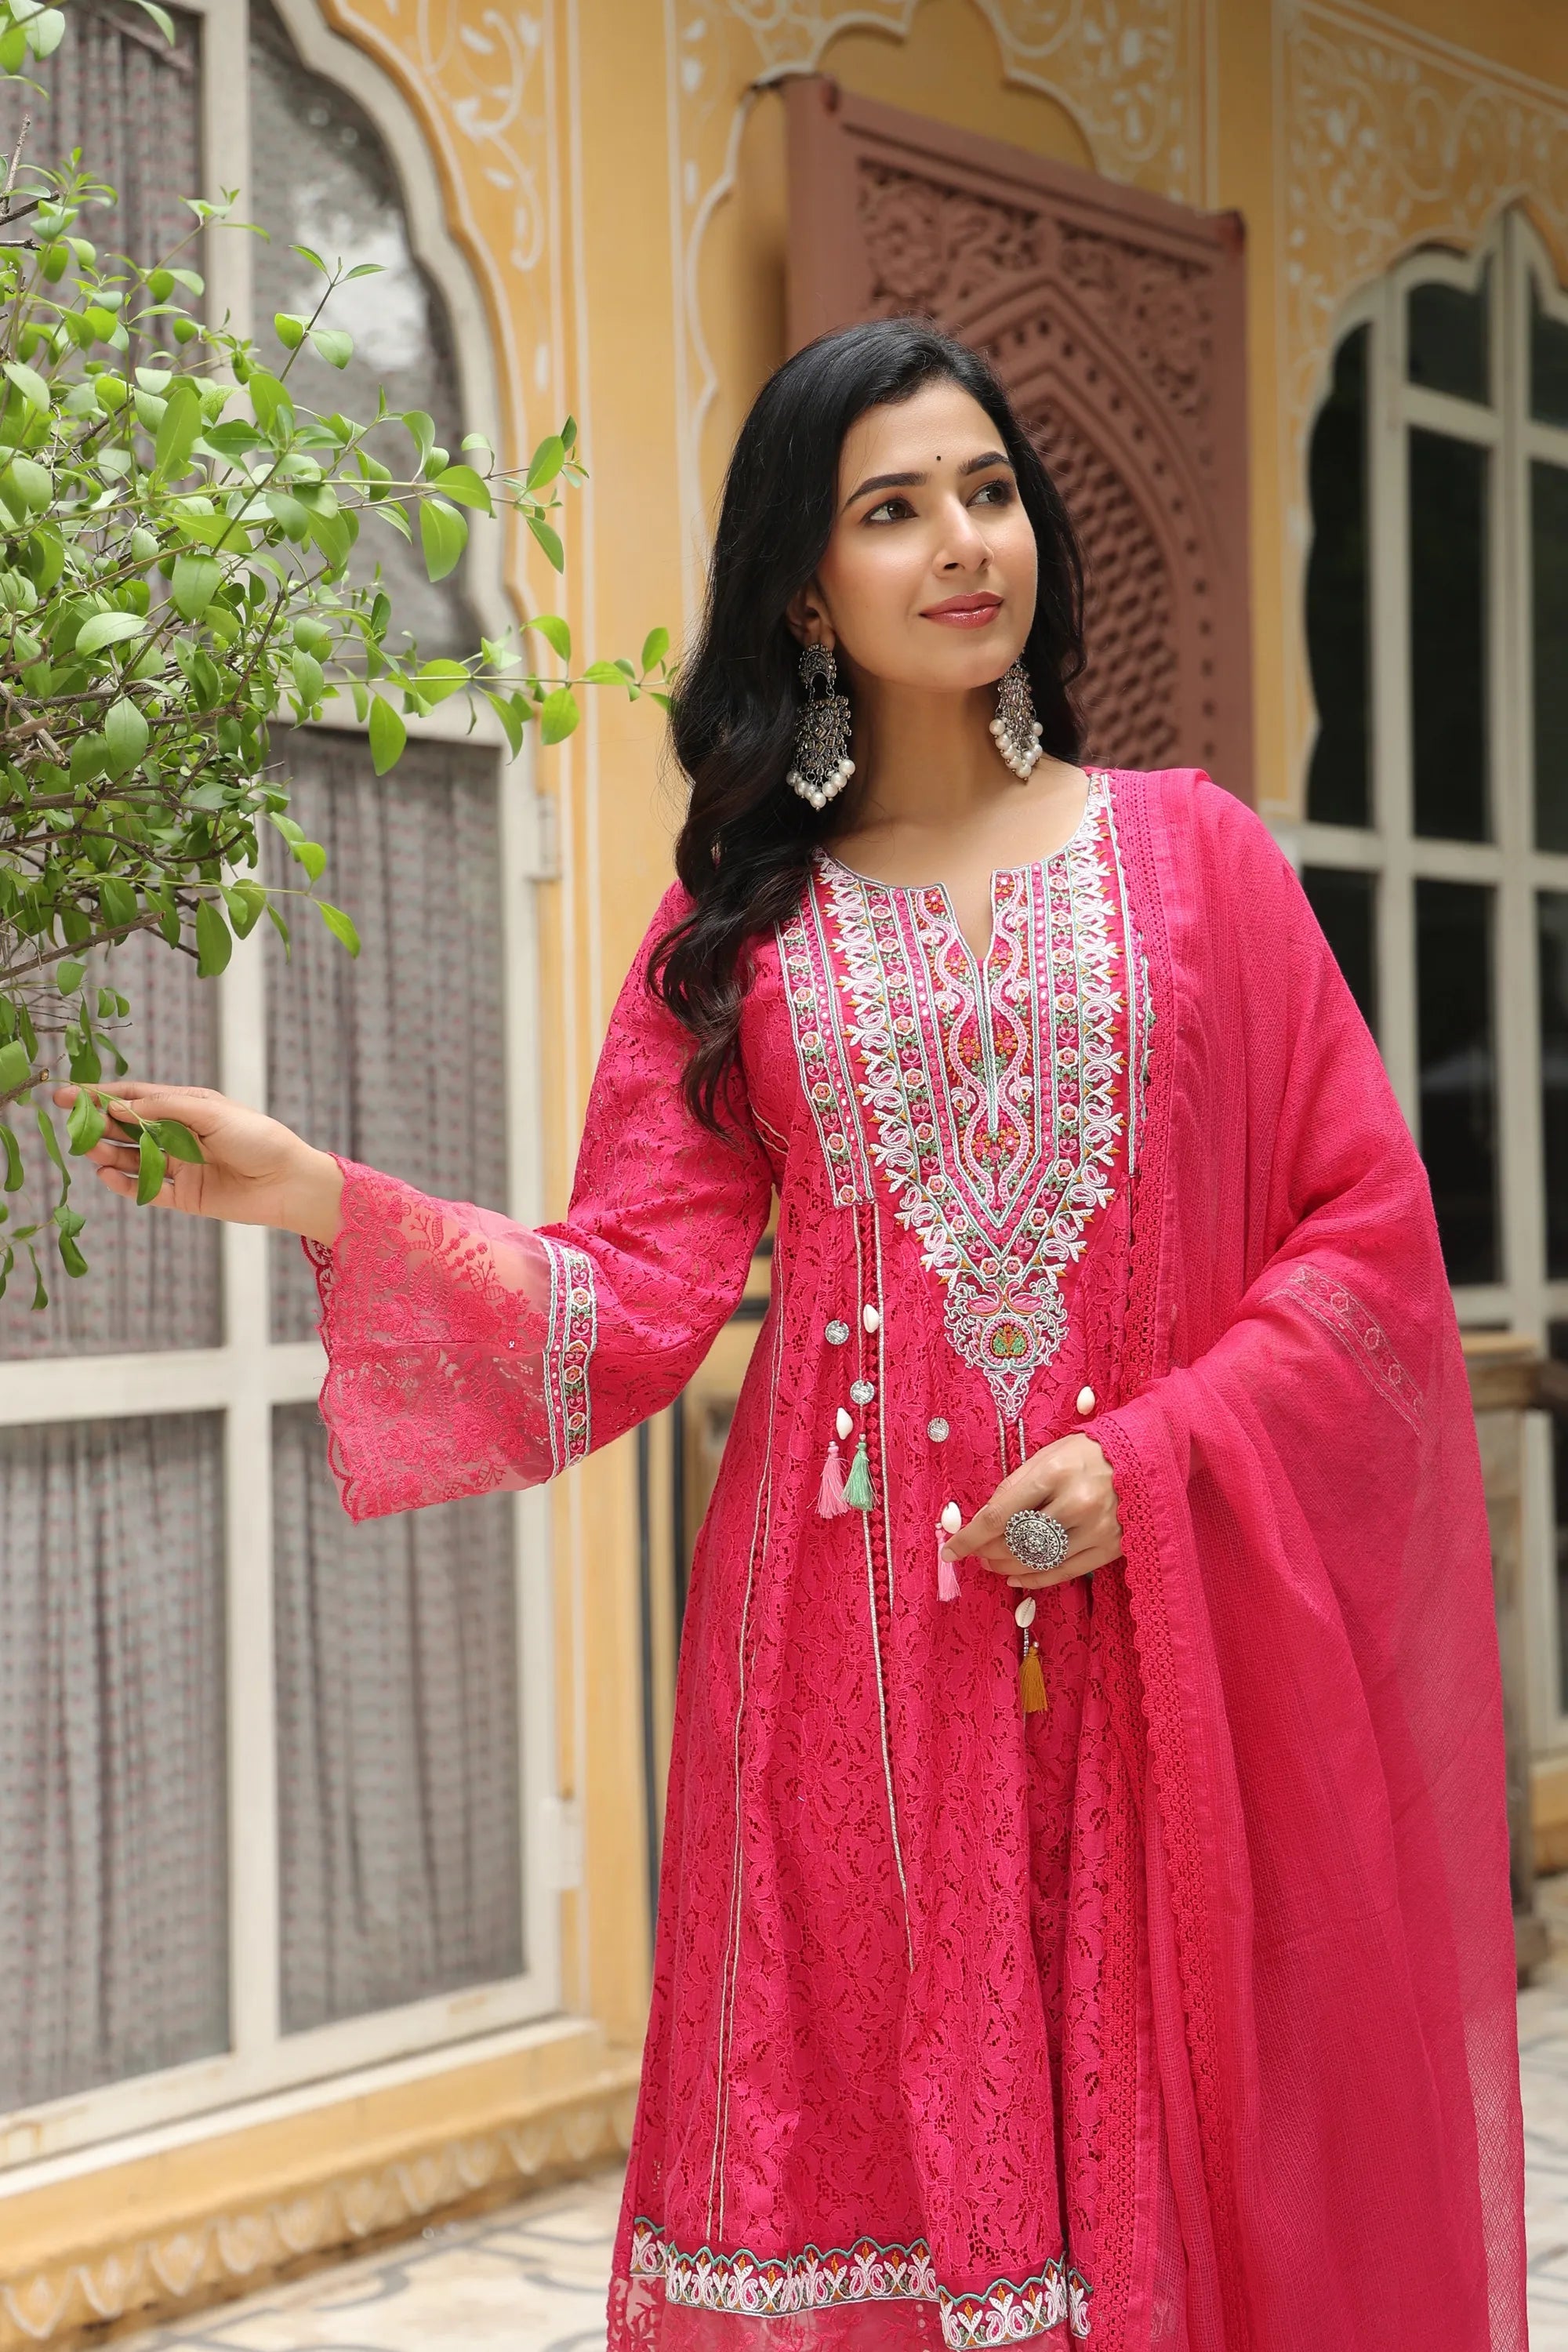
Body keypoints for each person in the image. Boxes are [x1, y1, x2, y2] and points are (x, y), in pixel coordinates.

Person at [64, 320, 1526, 2350]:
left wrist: (1158, 1455)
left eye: (989, 492)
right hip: (848, 1666)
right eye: (893, 509)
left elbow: (1363, 1234)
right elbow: (628, 1300)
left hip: (1150, 1639)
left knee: (1169, 2161)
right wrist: (324, 1194)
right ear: (806, 590)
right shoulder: (738, 929)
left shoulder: (1200, 859)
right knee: (869, 2180)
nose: (964, 542)